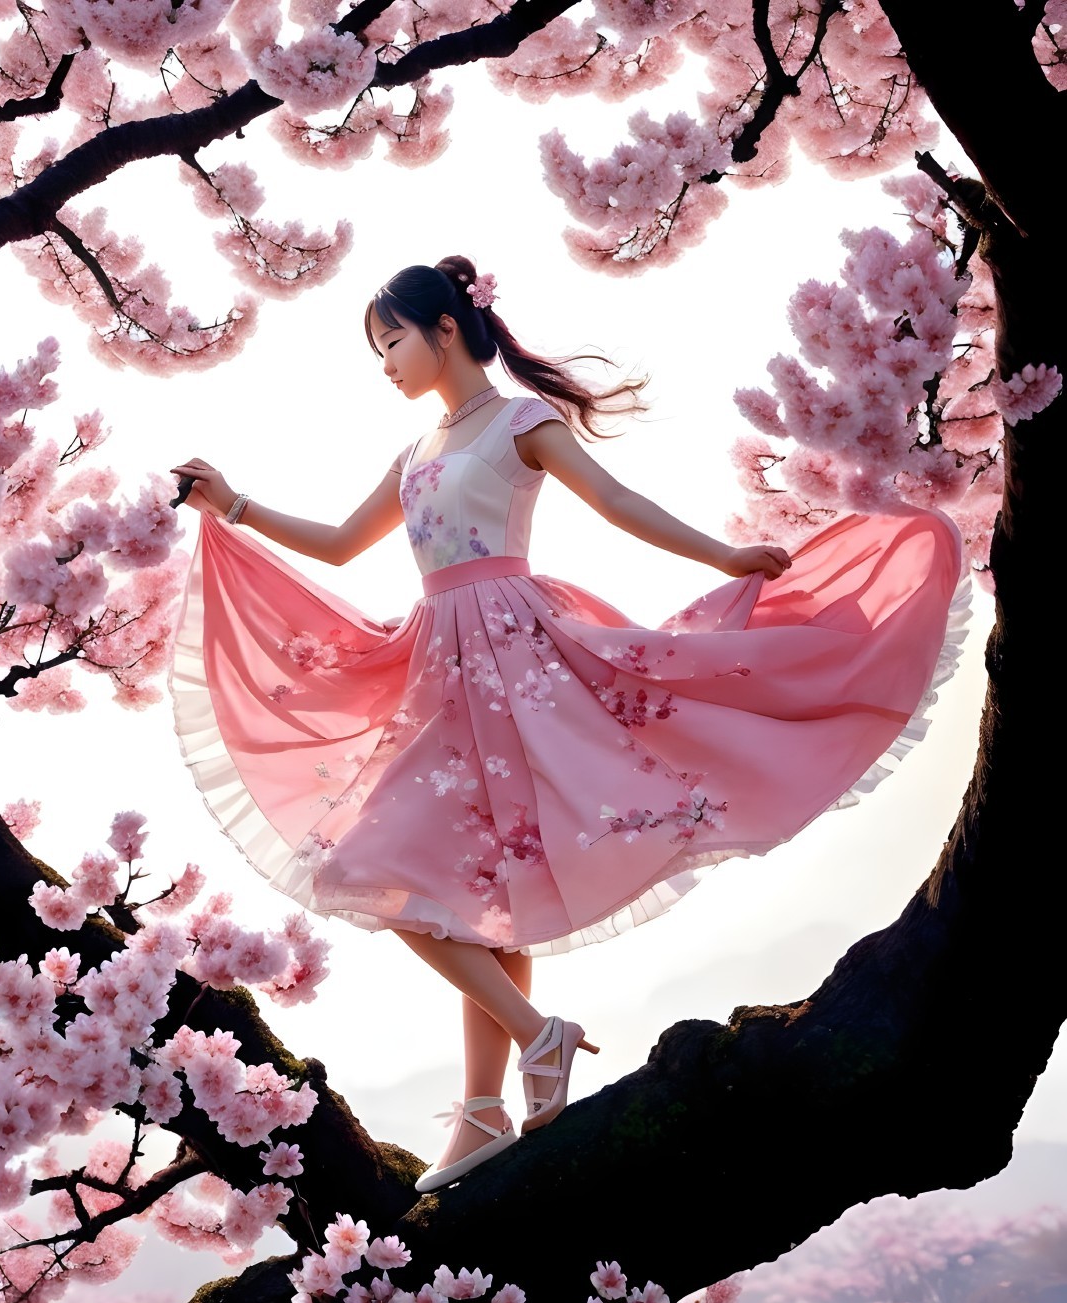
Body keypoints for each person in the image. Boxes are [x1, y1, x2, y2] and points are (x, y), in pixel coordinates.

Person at [168, 256, 963, 1193]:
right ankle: (484, 1110)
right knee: (463, 884)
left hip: (517, 653)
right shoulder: (416, 451)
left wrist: (723, 551)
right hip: (439, 663)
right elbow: (343, 543)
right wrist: (234, 506)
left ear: (446, 330)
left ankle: (530, 1041)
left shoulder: (520, 423)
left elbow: (614, 501)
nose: (384, 362)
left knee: (374, 869)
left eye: (391, 340)